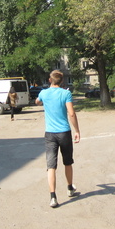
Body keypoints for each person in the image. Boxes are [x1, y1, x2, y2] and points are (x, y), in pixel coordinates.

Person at [36, 70, 80, 208]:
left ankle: (53, 197)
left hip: (50, 134)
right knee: (67, 162)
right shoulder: (66, 93)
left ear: (50, 80)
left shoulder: (44, 93)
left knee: (51, 166)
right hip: (64, 133)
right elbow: (71, 113)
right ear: (61, 81)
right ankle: (69, 188)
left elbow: (37, 102)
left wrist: (40, 101)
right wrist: (77, 131)